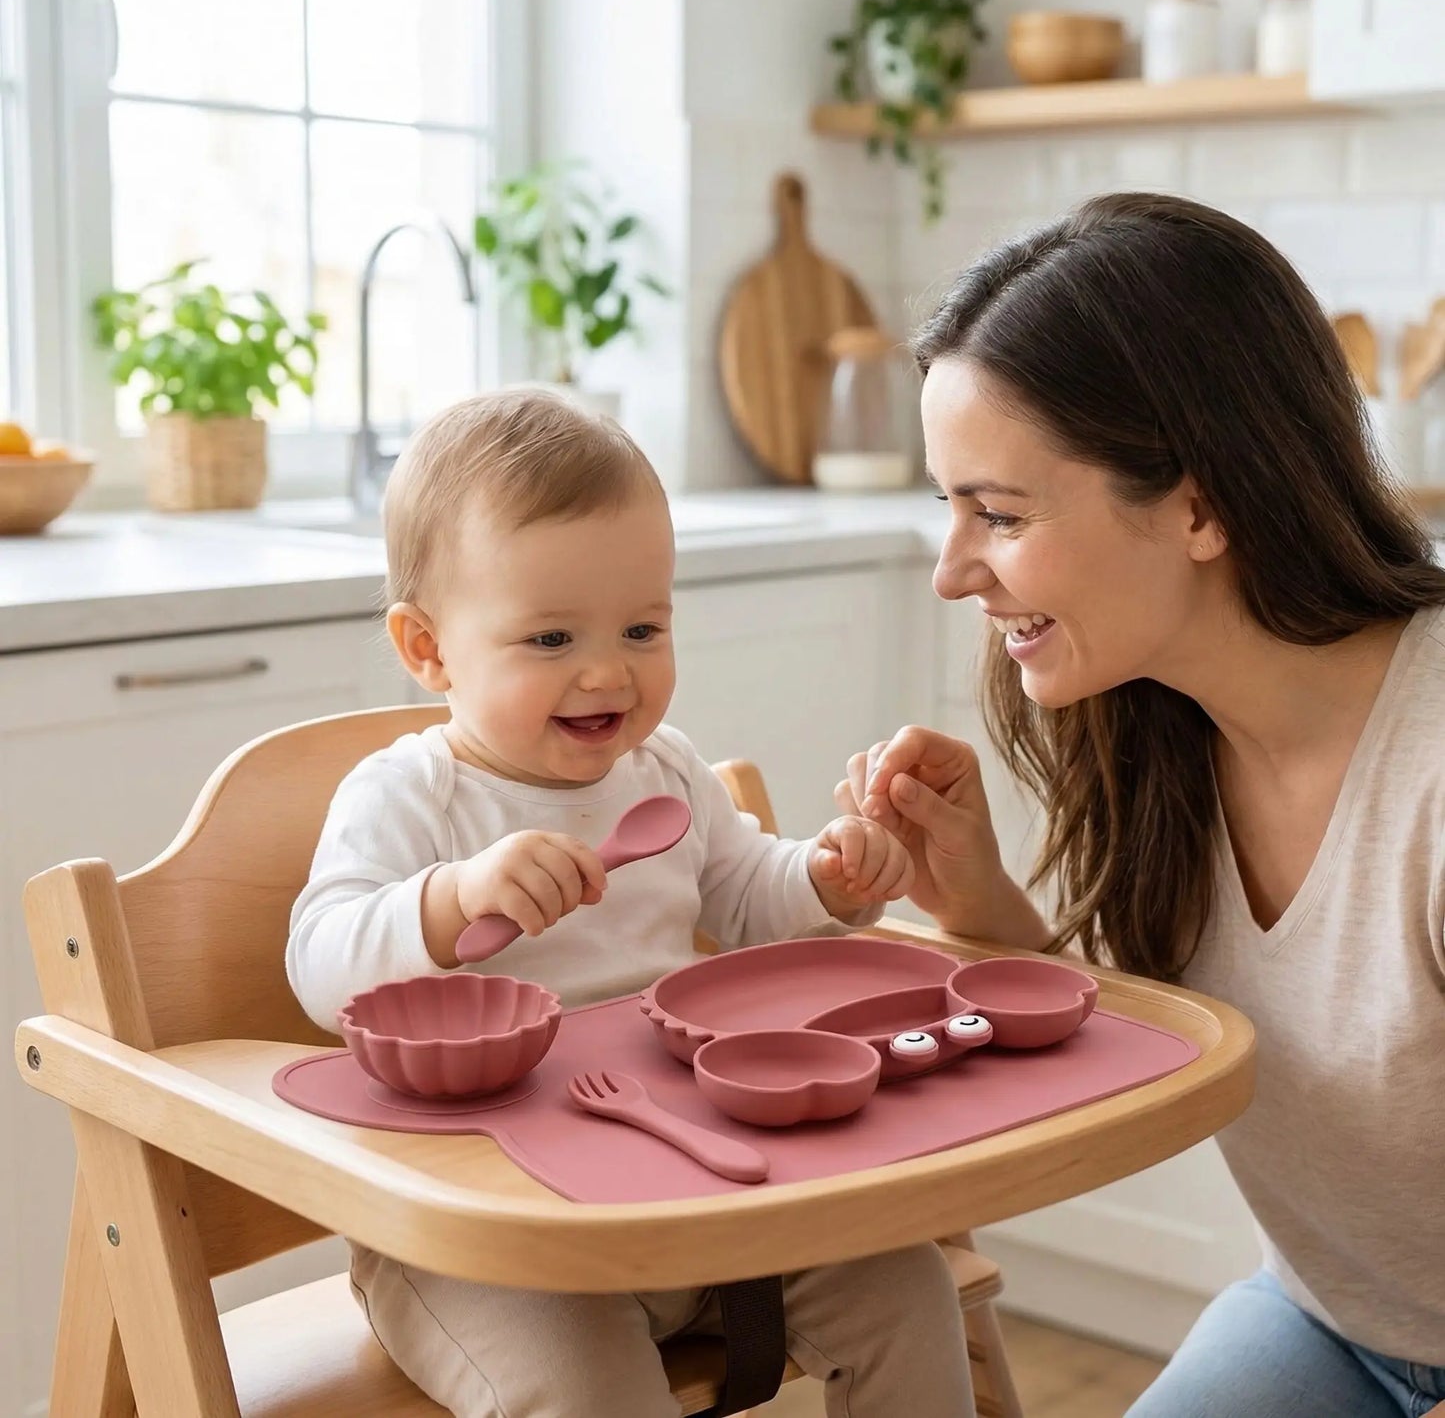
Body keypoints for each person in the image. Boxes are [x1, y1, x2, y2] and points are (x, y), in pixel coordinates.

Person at [839, 192, 1445, 1418]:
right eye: (949, 506)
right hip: (1332, 1322)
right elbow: (1144, 1048)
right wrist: (981, 906)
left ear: (1199, 505)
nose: (952, 570)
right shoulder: (1157, 729)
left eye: (998, 513)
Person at [287, 388, 975, 1418]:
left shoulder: (666, 770)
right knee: (590, 1392)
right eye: (550, 639)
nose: (607, 670)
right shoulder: (407, 795)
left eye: (642, 627)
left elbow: (745, 896)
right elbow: (318, 963)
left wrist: (824, 879)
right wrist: (450, 899)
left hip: (693, 1180)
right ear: (427, 648)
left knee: (907, 1287)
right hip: (486, 1237)